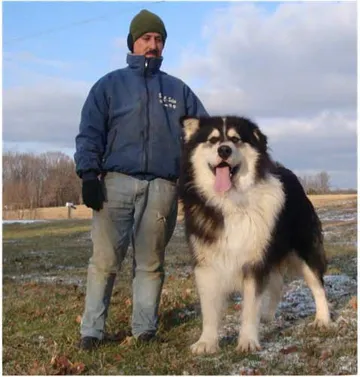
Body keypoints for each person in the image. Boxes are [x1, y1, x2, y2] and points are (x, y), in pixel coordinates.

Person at [74, 9, 208, 350]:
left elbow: (203, 136)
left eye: (159, 39)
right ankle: (92, 330)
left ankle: (145, 328)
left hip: (162, 187)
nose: (153, 45)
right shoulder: (109, 86)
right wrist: (89, 174)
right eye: (147, 38)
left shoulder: (178, 91)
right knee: (104, 261)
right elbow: (90, 133)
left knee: (150, 263)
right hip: (115, 184)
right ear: (133, 42)